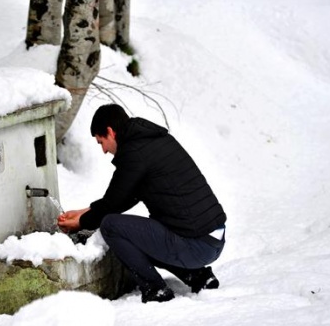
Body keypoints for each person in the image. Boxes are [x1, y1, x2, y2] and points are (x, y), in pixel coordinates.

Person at [58, 104, 227, 303]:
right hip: (214, 239)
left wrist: (82, 222)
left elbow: (112, 203)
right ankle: (198, 276)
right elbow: (127, 196)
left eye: (101, 142)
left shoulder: (134, 153)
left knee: (111, 226)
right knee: (142, 233)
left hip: (196, 245)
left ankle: (155, 290)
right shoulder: (153, 141)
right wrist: (85, 212)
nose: (103, 150)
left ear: (111, 132)